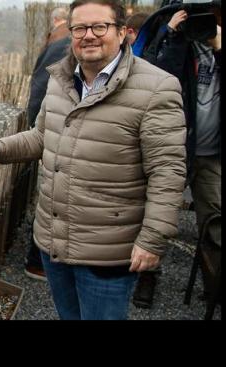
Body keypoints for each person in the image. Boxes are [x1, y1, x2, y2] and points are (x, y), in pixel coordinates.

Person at [0, 0, 187, 320]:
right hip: (53, 242)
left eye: (100, 27)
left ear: (123, 32)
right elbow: (43, 136)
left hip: (107, 252)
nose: (89, 35)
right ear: (69, 33)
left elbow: (166, 170)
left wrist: (153, 239)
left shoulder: (156, 88)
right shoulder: (61, 79)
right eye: (80, 28)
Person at [133, 2, 221, 308]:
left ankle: (215, 286)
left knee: (214, 221)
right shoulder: (176, 41)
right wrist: (172, 33)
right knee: (154, 212)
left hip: (211, 153)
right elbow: (154, 76)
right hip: (172, 148)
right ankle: (147, 276)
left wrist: (219, 48)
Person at [23, 34, 72, 282]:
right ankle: (39, 260)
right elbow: (40, 88)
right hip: (59, 146)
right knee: (53, 197)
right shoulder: (60, 53)